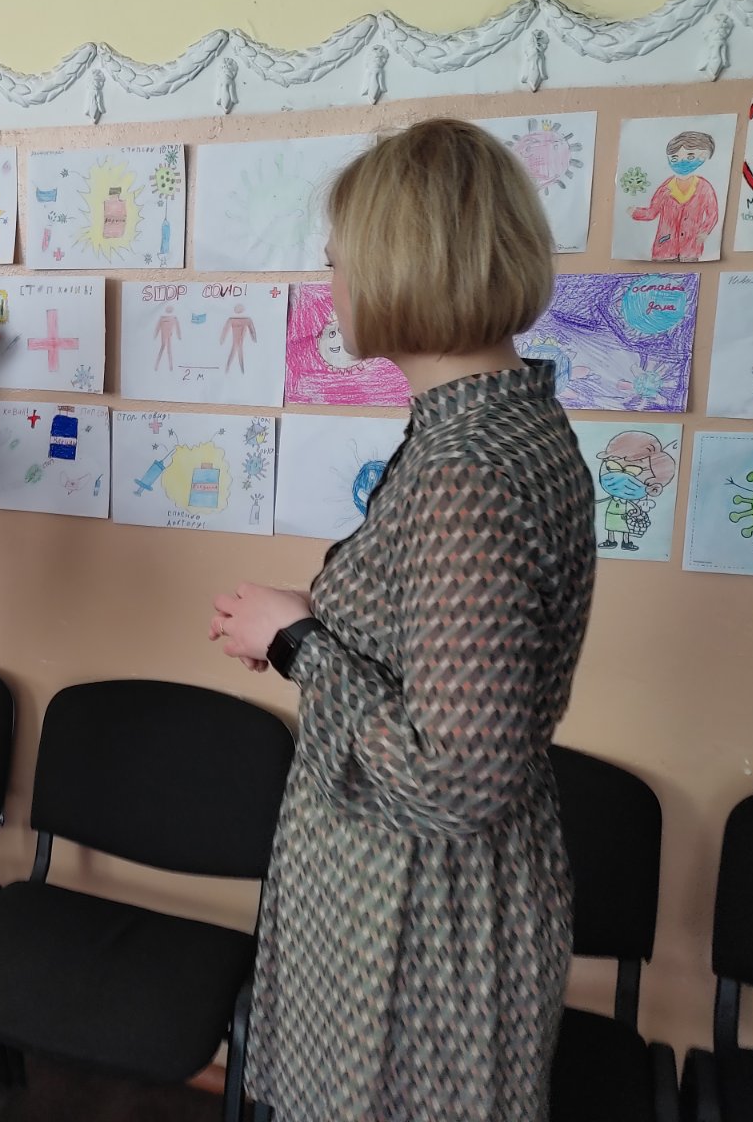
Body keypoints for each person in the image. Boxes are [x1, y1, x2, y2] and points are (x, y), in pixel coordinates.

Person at [209, 118, 595, 1121]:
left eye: (339, 256)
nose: (331, 277)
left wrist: (296, 644)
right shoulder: (499, 421)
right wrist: (321, 622)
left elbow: (453, 775)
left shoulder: (469, 469)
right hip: (409, 888)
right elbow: (436, 645)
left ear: (400, 263)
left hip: (415, 912)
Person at [629, 130, 720, 261]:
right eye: (674, 158)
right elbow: (652, 212)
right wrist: (634, 212)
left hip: (690, 249)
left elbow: (712, 214)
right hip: (664, 249)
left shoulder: (704, 188)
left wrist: (705, 231)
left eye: (690, 157)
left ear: (702, 157)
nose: (681, 162)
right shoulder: (665, 189)